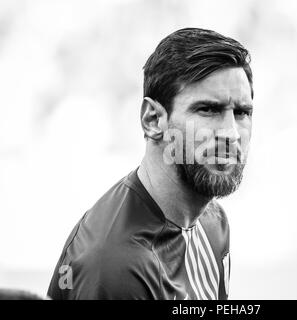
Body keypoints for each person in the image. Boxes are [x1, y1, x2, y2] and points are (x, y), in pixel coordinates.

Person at [47, 27, 254, 300]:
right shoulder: (114, 266)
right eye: (208, 109)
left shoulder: (212, 222)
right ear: (153, 120)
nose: (231, 133)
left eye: (242, 112)